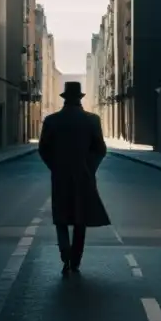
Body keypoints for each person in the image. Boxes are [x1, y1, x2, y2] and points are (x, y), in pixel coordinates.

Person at [37, 81, 110, 276]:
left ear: (64, 99)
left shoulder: (52, 121)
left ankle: (65, 255)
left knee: (61, 216)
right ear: (80, 99)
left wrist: (55, 166)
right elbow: (100, 149)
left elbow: (43, 149)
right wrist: (89, 167)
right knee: (80, 218)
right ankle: (76, 260)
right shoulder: (92, 120)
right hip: (83, 176)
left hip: (60, 176)